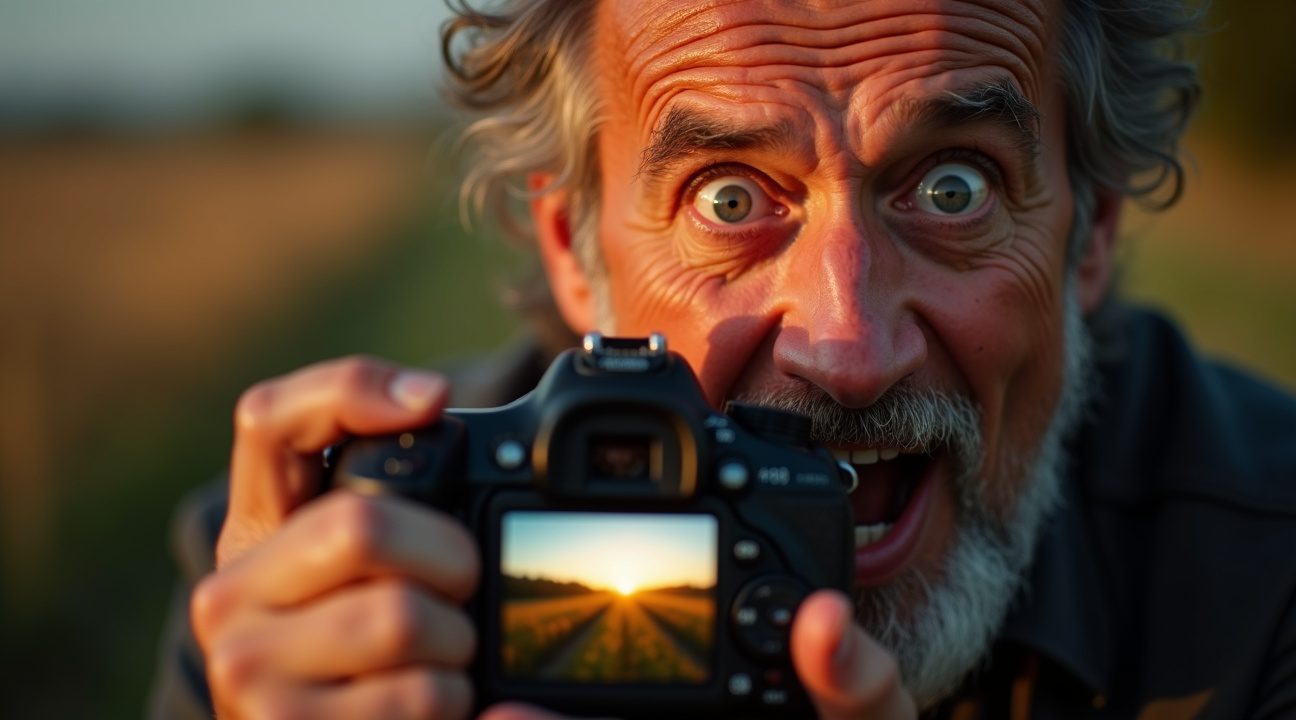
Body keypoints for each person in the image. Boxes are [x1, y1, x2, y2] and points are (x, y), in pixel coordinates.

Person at [150, 1, 1296, 718]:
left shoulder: (1271, 586)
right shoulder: (332, 593)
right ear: (574, 247)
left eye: (955, 187)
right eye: (729, 197)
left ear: (1088, 230)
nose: (848, 350)